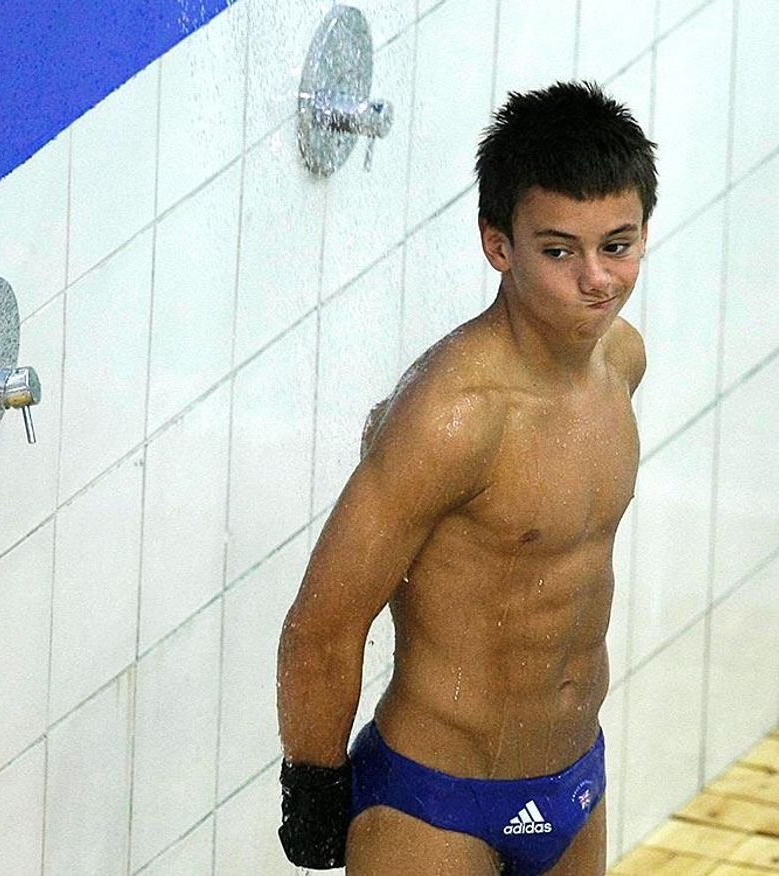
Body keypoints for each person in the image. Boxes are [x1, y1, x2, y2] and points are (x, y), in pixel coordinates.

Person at [276, 80, 657, 875]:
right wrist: (313, 791)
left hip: (574, 782)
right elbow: (323, 625)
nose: (596, 279)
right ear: (499, 245)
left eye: (616, 246)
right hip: (436, 803)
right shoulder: (457, 417)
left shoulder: (622, 362)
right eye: (560, 251)